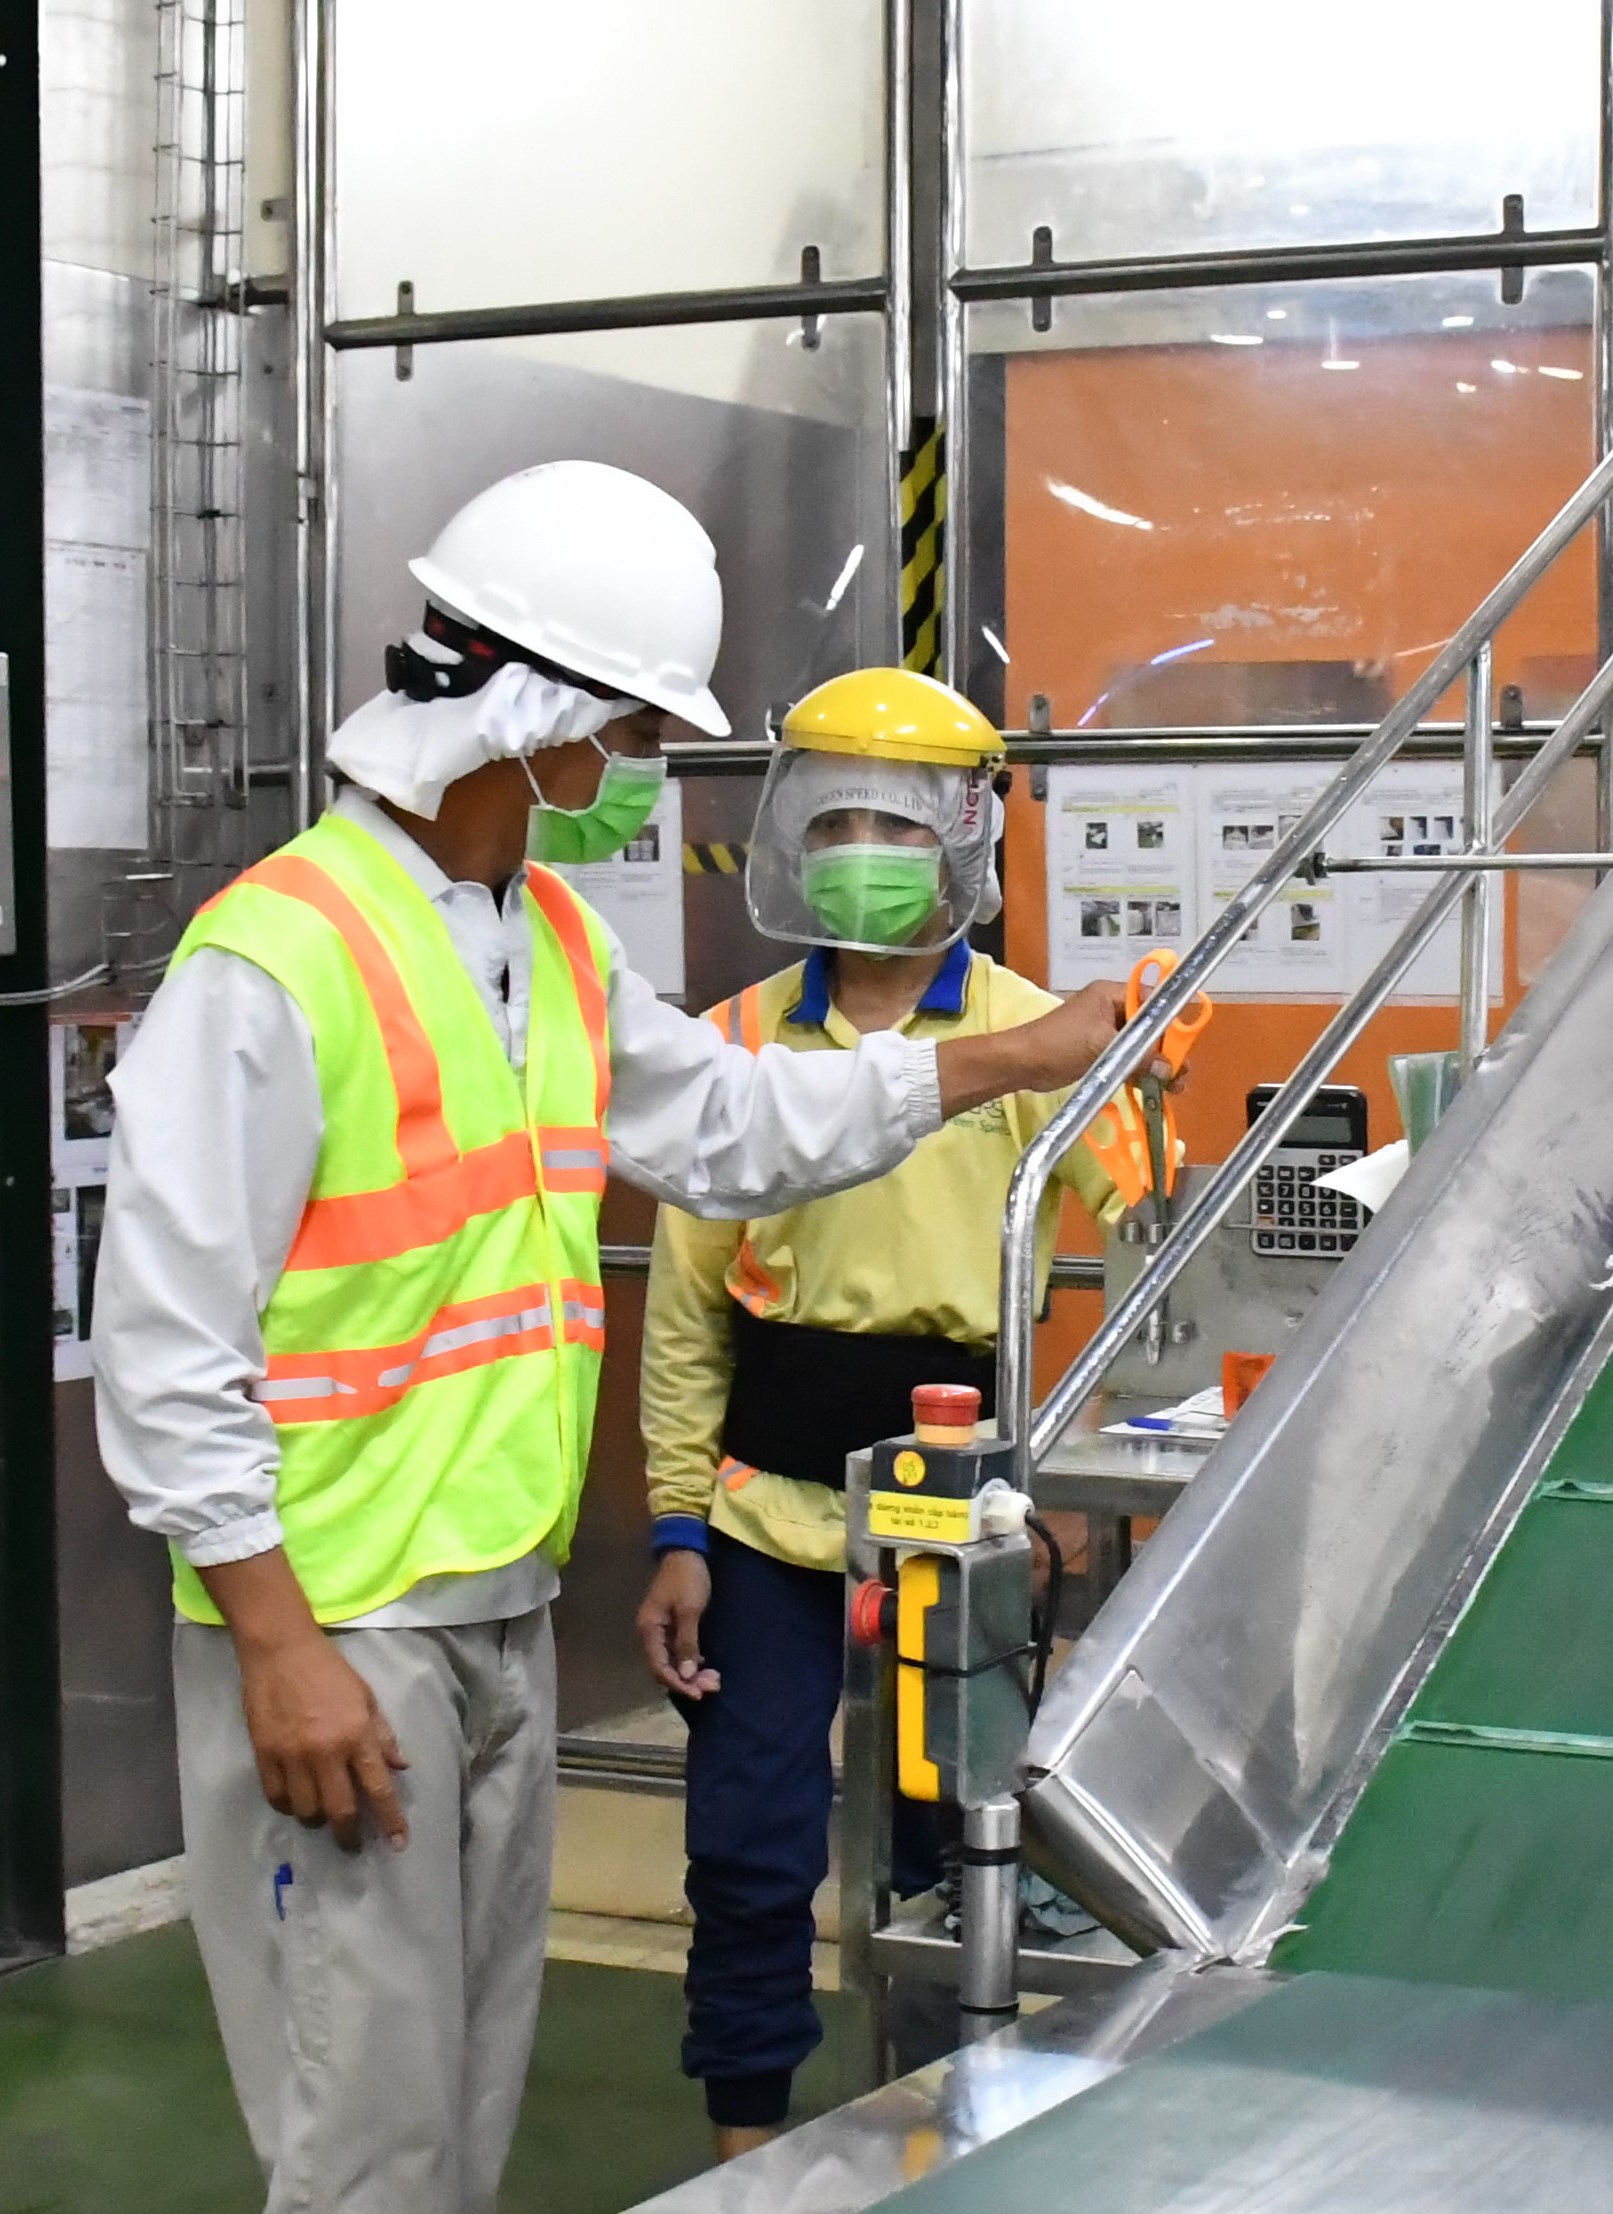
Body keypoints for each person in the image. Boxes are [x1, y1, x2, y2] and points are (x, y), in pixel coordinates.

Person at [91, 462, 1132, 2214]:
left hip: (493, 1599)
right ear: (537, 720)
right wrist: (276, 1642)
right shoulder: (274, 961)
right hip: (338, 1620)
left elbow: (732, 1121)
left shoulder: (547, 941)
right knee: (366, 2128)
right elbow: (163, 1342)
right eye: (635, 734)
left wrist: (1004, 1059)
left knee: (462, 2093)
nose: (638, 775)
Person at [630, 667, 1137, 2159]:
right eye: (838, 819)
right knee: (747, 1843)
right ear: (793, 833)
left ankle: (946, 2137)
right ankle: (743, 2146)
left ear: (965, 836)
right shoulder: (729, 1044)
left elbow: (1157, 1224)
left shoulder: (1034, 1038)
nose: (865, 850)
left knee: (955, 1847)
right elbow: (686, 1320)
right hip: (766, 1516)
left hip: (956, 1515)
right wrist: (676, 1526)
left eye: (899, 823)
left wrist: (1155, 1097)